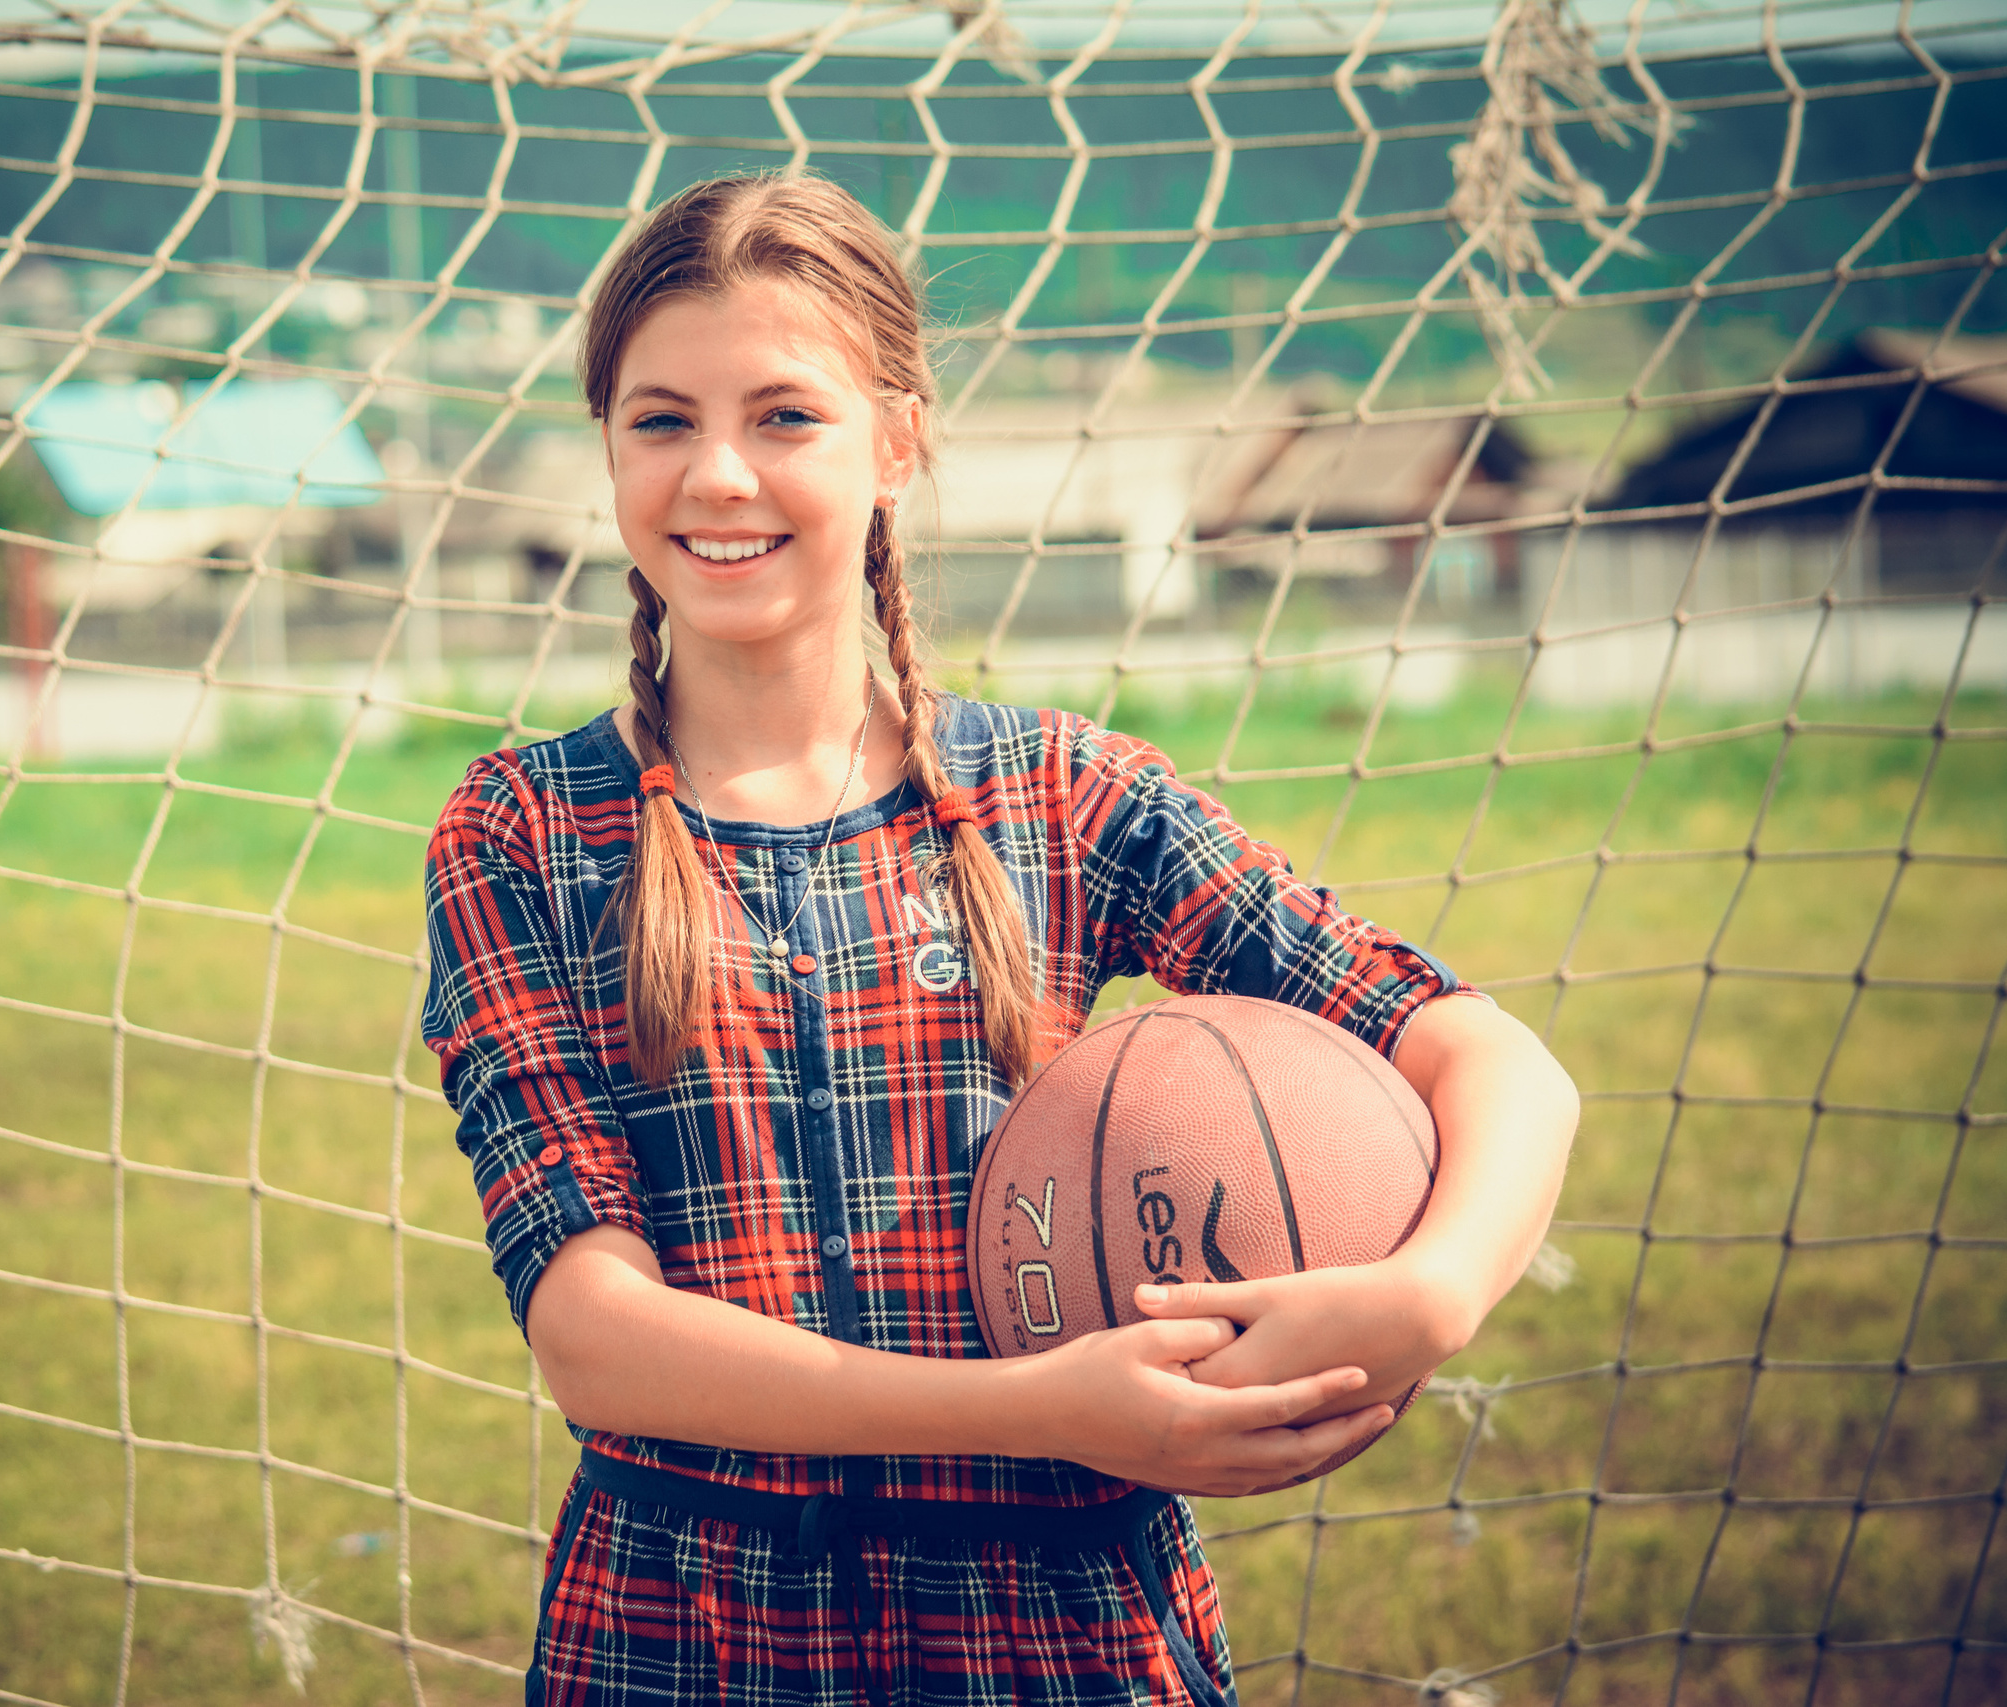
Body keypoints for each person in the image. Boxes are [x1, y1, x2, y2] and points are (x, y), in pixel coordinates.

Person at [421, 170, 1578, 1707]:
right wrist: (1038, 1403)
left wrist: (1428, 1294)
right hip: (689, 1631)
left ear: (897, 440)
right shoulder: (524, 831)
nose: (716, 474)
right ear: (608, 448)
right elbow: (594, 1335)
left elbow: (1489, 1058)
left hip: (1063, 1635)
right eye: (660, 420)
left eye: (785, 416)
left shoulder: (1064, 800)